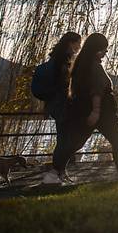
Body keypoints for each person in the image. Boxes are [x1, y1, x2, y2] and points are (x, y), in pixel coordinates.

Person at [44, 33, 118, 183]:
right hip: (103, 112)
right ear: (95, 49)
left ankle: (55, 172)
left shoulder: (81, 64)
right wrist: (96, 111)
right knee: (117, 141)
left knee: (75, 143)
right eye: (103, 50)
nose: (105, 54)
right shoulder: (94, 67)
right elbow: (97, 91)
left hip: (88, 112)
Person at [43, 32, 81, 182]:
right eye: (77, 43)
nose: (79, 47)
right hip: (62, 106)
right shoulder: (62, 61)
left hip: (57, 105)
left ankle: (58, 172)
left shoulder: (57, 59)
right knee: (65, 140)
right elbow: (63, 85)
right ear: (70, 43)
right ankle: (58, 172)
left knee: (64, 140)